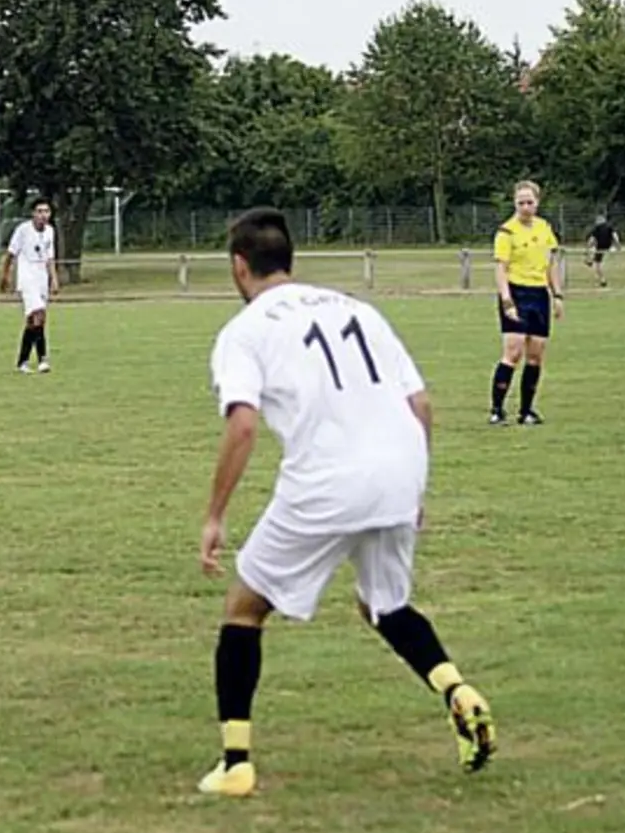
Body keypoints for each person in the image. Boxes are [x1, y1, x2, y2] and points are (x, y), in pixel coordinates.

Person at [196, 207, 494, 798]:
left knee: (243, 608)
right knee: (384, 604)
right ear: (290, 260)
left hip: (328, 480)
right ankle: (457, 690)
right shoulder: (358, 309)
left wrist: (214, 515)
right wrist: (415, 488)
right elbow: (422, 405)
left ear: (238, 267)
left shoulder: (245, 331)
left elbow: (244, 426)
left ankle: (235, 763)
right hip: (400, 468)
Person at [489, 181, 564, 426]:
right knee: (513, 351)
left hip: (539, 295)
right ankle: (497, 410)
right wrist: (507, 300)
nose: (525, 207)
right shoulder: (506, 232)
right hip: (517, 293)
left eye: (529, 202)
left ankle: (527, 411)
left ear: (537, 202)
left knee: (535, 356)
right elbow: (501, 268)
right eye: (520, 202)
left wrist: (558, 296)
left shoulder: (544, 228)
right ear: (514, 203)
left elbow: (551, 264)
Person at [0, 198, 61, 374]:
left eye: (46, 211)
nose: (43, 215)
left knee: (34, 321)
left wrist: (54, 279)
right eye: (40, 211)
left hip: (41, 277)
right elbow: (10, 254)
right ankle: (42, 359)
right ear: (33, 213)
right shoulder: (23, 230)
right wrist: (5, 275)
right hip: (27, 277)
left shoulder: (50, 231)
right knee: (38, 315)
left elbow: (50, 258)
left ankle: (23, 361)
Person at [583, 214, 620, 288]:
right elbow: (615, 236)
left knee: (597, 264)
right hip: (609, 247)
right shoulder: (610, 227)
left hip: (600, 248)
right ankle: (590, 260)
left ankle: (602, 280)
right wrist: (618, 245)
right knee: (594, 255)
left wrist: (587, 249)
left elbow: (591, 240)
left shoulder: (597, 229)